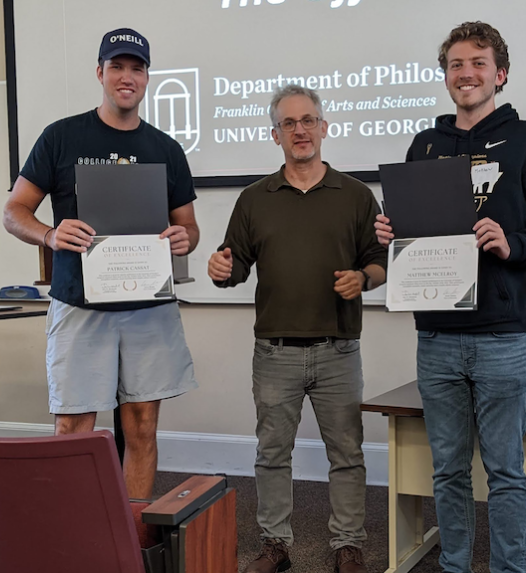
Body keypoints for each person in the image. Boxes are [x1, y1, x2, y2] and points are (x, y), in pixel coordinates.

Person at [375, 21, 526, 573]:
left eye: (478, 63)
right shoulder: (425, 144)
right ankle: (455, 566)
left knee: (506, 470)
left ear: (500, 73)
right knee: (448, 470)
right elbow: (415, 229)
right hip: (436, 334)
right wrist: (392, 235)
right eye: (456, 64)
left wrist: (514, 243)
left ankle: (511, 568)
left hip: (500, 335)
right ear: (445, 76)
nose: (467, 73)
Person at [2, 28, 199, 499]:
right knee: (73, 427)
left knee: (144, 426)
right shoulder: (61, 136)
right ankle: (79, 538)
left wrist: (181, 238)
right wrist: (50, 234)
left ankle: (128, 538)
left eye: (137, 68)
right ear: (100, 73)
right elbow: (13, 212)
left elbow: (189, 230)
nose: (126, 77)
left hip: (148, 308)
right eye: (117, 67)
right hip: (80, 306)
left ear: (148, 77)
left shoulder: (166, 149)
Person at [208, 84, 387, 573]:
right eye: (289, 123)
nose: (300, 130)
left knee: (347, 453)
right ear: (275, 135)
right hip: (275, 352)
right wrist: (222, 271)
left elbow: (379, 261)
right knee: (271, 454)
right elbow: (235, 265)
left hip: (338, 350)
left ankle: (348, 544)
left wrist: (364, 278)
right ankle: (275, 545)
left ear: (325, 128)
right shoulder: (253, 199)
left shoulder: (355, 195)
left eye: (308, 120)